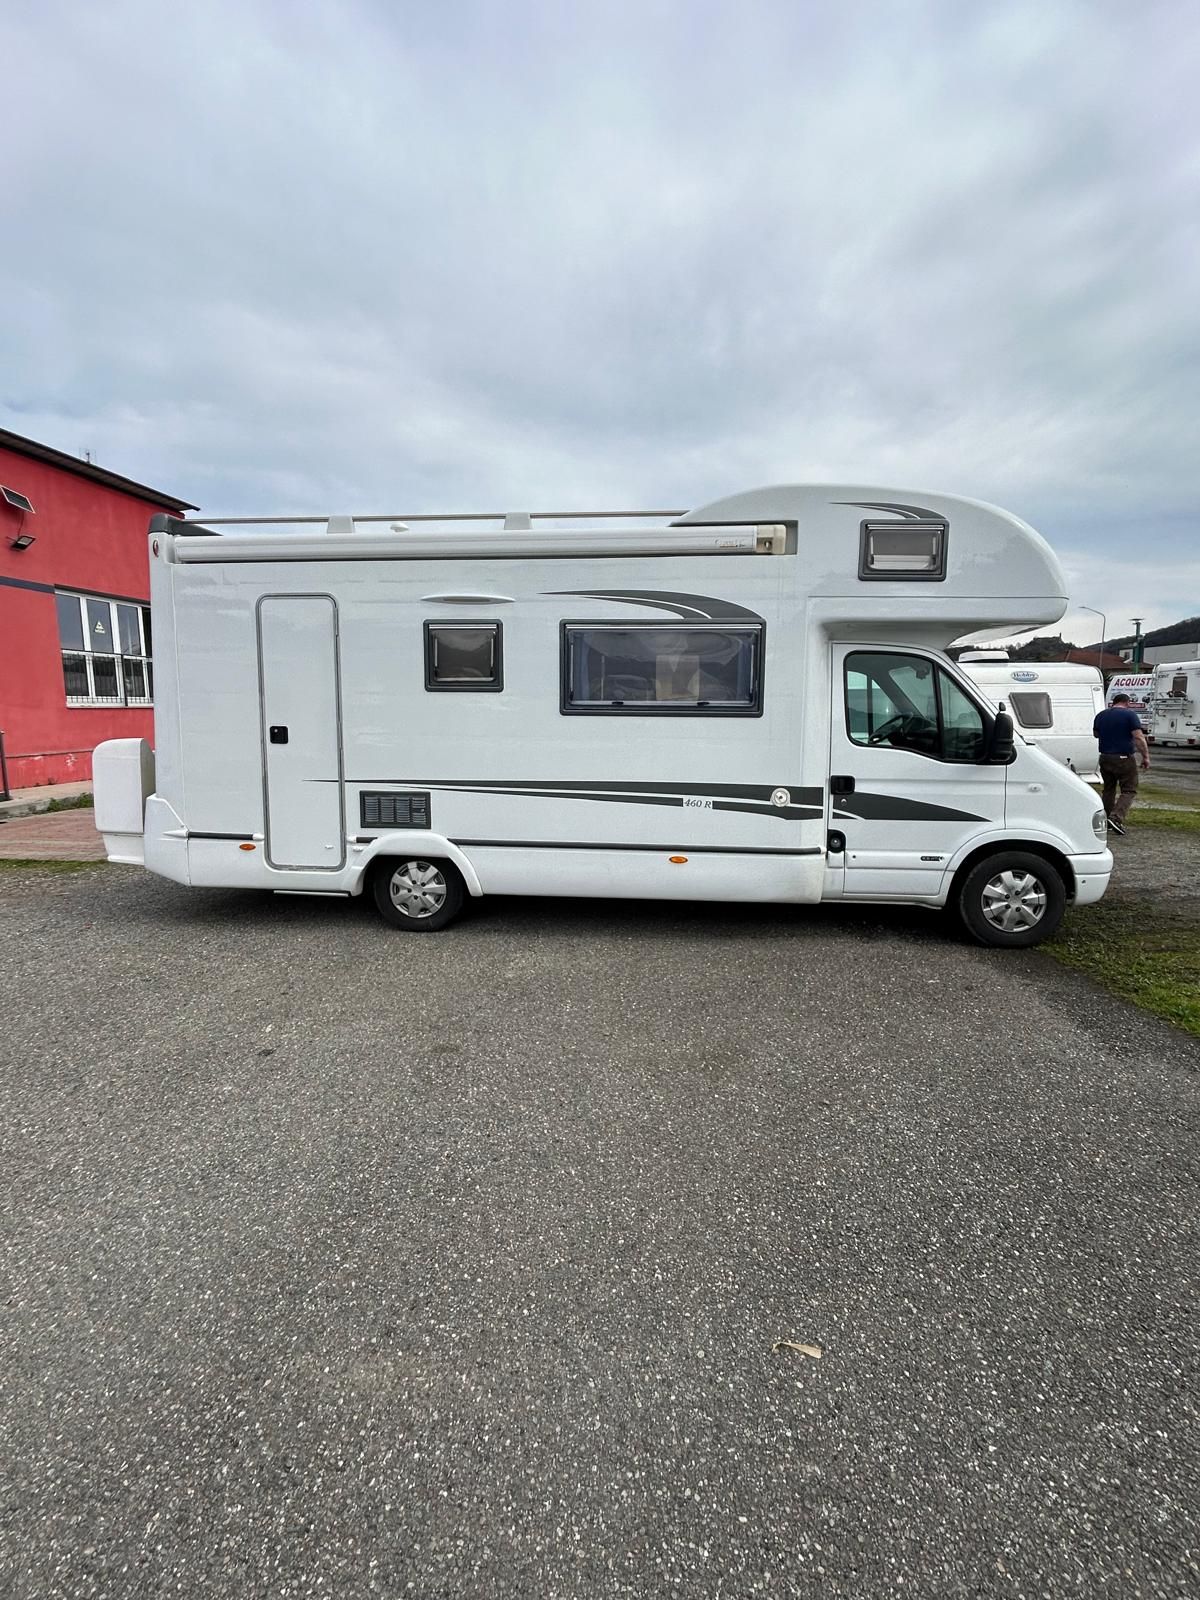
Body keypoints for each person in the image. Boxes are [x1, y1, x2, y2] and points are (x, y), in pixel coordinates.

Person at [1092, 692, 1150, 835]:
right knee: (1129, 789)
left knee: (1109, 789)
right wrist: (1145, 757)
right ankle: (1116, 817)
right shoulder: (1130, 715)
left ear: (1114, 702)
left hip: (1105, 757)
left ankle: (1104, 819)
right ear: (1127, 702)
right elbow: (1138, 737)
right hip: (1123, 757)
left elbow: (1096, 734)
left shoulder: (1101, 715)